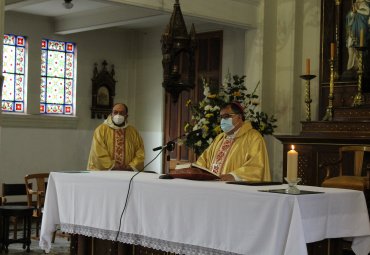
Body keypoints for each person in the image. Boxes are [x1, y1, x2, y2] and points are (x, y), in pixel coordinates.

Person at [195, 102, 271, 181]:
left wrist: (234, 176)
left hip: (236, 189)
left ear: (239, 117)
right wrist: (196, 170)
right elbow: (204, 160)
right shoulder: (219, 138)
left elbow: (256, 166)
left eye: (226, 116)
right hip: (213, 187)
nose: (223, 120)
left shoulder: (254, 137)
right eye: (221, 117)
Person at [87, 103, 145, 171]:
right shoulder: (101, 130)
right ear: (111, 114)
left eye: (121, 113)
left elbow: (140, 152)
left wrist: (131, 166)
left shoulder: (133, 132)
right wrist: (113, 165)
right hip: (106, 173)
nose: (118, 115)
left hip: (128, 172)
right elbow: (97, 152)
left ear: (126, 116)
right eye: (115, 112)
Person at [346, 0, 370, 70]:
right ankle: (350, 67)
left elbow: (368, 12)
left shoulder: (365, 3)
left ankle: (359, 66)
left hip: (361, 30)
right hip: (353, 31)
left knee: (360, 50)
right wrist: (353, 12)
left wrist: (358, 11)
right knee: (351, 49)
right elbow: (349, 18)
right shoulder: (355, 4)